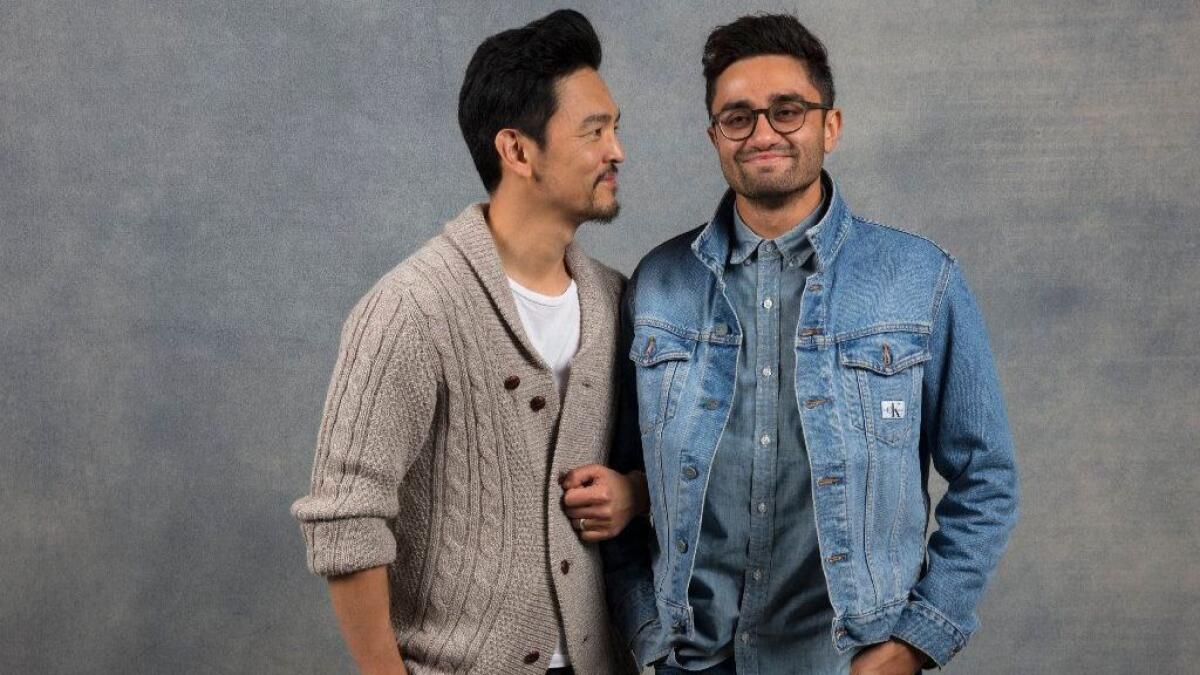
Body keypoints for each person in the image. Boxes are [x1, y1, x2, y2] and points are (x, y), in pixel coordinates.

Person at [602, 14, 1019, 675]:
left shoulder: (920, 279)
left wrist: (916, 640)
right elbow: (619, 483)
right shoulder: (657, 285)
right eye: (737, 117)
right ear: (715, 136)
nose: (763, 132)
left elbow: (987, 478)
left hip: (845, 660)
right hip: (693, 661)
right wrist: (647, 631)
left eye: (786, 110)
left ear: (831, 125)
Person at [291, 10, 645, 674]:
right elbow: (345, 520)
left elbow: (682, 462)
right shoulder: (410, 308)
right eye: (594, 132)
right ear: (517, 150)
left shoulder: (619, 301)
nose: (617, 151)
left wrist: (636, 493)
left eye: (616, 128)